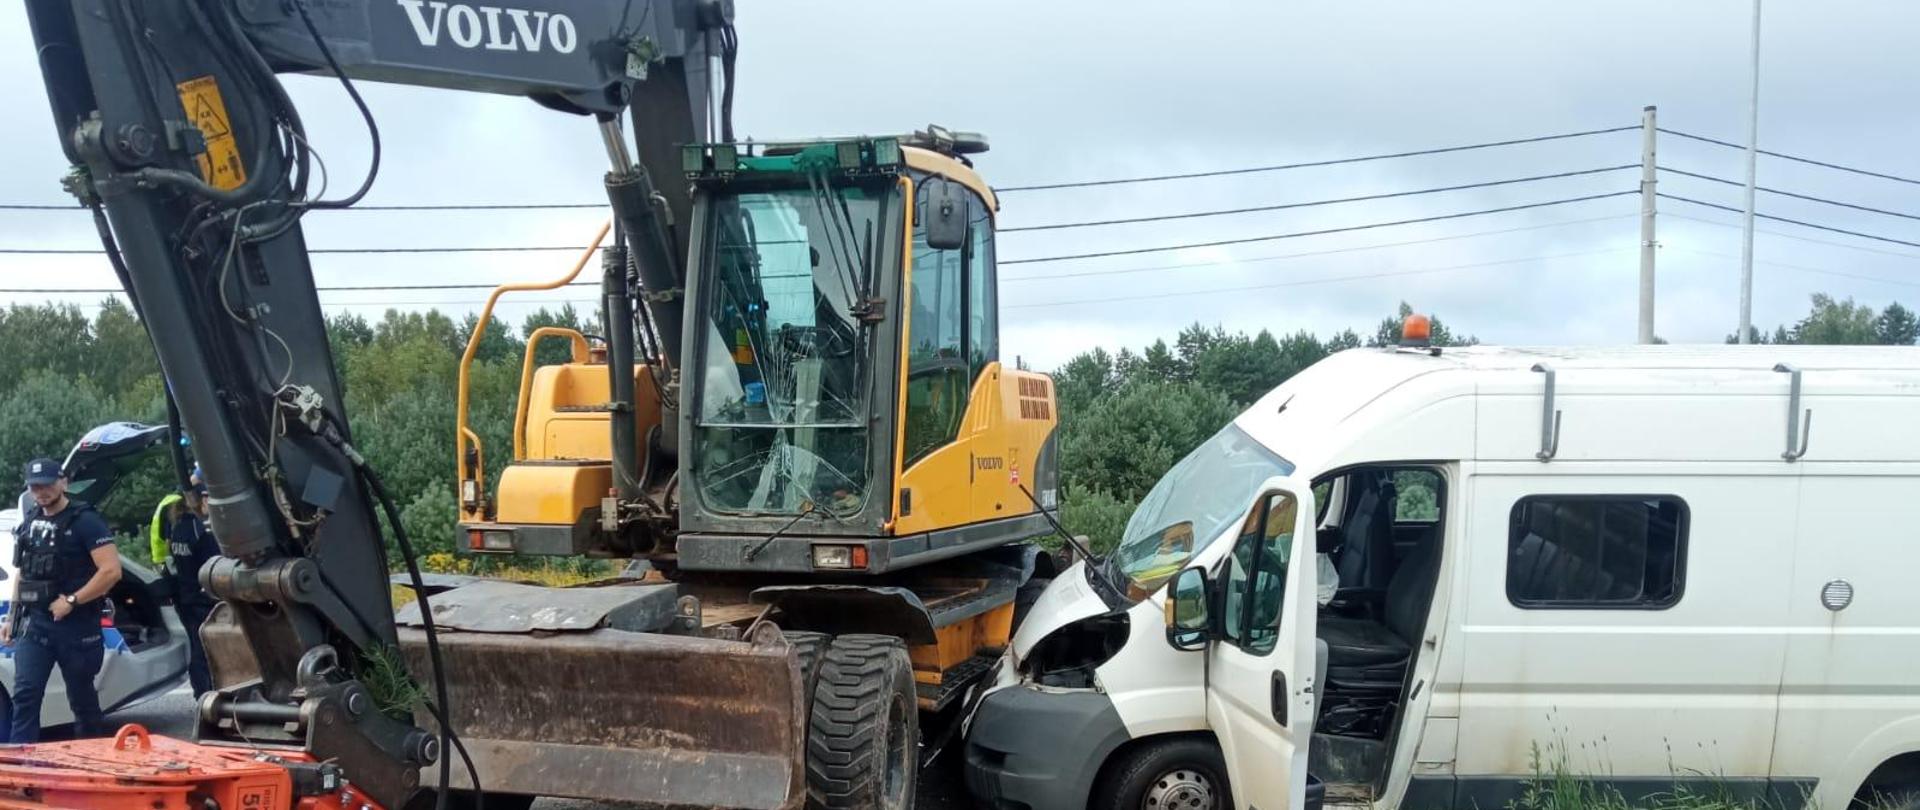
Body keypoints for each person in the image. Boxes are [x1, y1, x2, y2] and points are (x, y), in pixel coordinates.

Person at [2, 458, 120, 742]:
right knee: (26, 696)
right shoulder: (31, 520)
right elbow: (23, 573)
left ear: (63, 482)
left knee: (82, 701)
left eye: (48, 484)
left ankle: (93, 763)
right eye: (35, 486)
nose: (41, 491)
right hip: (37, 626)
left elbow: (111, 571)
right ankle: (22, 770)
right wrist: (12, 619)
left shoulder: (86, 521)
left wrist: (71, 600)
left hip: (76, 626)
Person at [168, 476, 219, 696]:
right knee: (210, 649)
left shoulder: (178, 525)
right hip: (204, 598)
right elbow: (214, 565)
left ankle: (201, 693)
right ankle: (211, 693)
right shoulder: (201, 529)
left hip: (186, 595)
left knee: (197, 648)